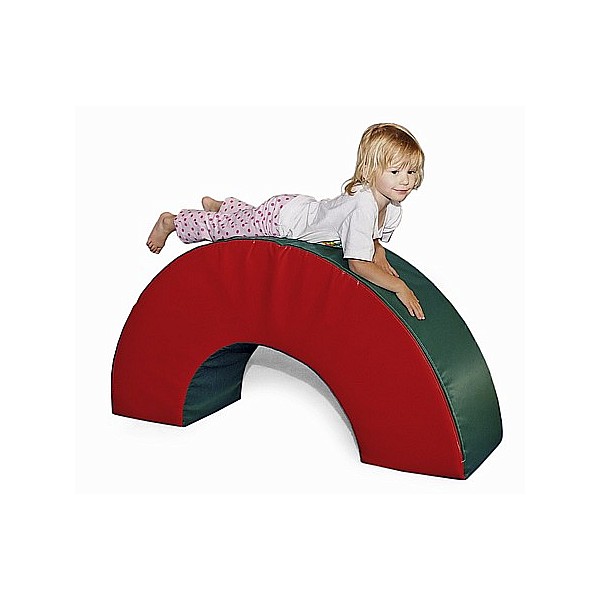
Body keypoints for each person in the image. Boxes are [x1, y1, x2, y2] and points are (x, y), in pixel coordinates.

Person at [146, 123, 426, 319]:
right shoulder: (363, 205)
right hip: (281, 221)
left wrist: (379, 251)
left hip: (297, 209)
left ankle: (221, 206)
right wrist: (399, 286)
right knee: (228, 232)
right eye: (395, 171)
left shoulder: (393, 206)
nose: (405, 181)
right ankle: (173, 222)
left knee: (246, 219)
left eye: (412, 172)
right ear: (370, 170)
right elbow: (357, 263)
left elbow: (371, 238)